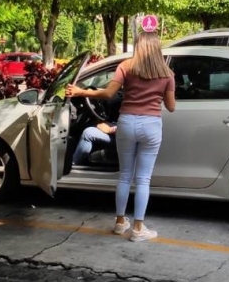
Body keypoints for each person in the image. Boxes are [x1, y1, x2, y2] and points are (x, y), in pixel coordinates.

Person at [66, 31, 176, 242]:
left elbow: (108, 94)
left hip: (126, 122)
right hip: (151, 125)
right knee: (143, 179)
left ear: (138, 45)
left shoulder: (125, 66)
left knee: (125, 175)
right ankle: (138, 229)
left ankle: (119, 223)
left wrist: (81, 92)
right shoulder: (167, 74)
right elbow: (171, 107)